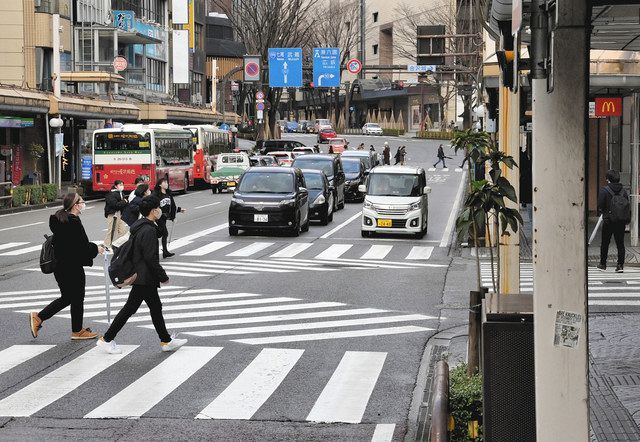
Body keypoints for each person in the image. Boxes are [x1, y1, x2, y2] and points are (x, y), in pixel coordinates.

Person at [97, 195, 188, 354]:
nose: (160, 210)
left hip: (142, 276)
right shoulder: (148, 230)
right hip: (144, 277)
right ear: (153, 211)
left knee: (152, 308)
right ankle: (107, 339)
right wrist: (163, 276)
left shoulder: (140, 226)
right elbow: (150, 258)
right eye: (158, 208)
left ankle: (165, 340)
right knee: (135, 309)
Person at [30, 193, 104, 340]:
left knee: (69, 297)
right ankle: (76, 331)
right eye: (82, 201)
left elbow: (72, 245)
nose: (84, 204)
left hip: (61, 266)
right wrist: (96, 248)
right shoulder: (73, 222)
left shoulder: (62, 220)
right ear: (75, 205)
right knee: (76, 297)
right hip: (71, 266)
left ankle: (40, 318)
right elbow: (81, 247)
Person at [598, 169, 630, 272]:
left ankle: (603, 264)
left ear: (608, 179)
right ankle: (620, 265)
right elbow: (626, 205)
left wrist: (603, 212)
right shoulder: (623, 191)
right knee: (620, 243)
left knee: (605, 243)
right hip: (620, 221)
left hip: (608, 220)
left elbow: (600, 204)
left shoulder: (605, 190)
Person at [153, 177, 186, 258]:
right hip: (158, 216)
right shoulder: (156, 194)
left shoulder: (168, 193)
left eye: (167, 182)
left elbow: (172, 206)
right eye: (165, 182)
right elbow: (153, 204)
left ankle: (164, 251)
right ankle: (164, 251)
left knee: (162, 233)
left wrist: (179, 210)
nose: (167, 184)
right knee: (165, 233)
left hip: (165, 216)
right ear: (160, 184)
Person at [104, 180, 129, 247]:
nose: (122, 186)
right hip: (113, 214)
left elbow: (124, 203)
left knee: (122, 230)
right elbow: (115, 205)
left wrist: (125, 202)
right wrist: (124, 201)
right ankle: (107, 245)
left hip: (121, 214)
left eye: (122, 185)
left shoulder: (121, 193)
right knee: (112, 230)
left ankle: (119, 244)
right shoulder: (111, 194)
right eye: (120, 185)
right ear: (115, 186)